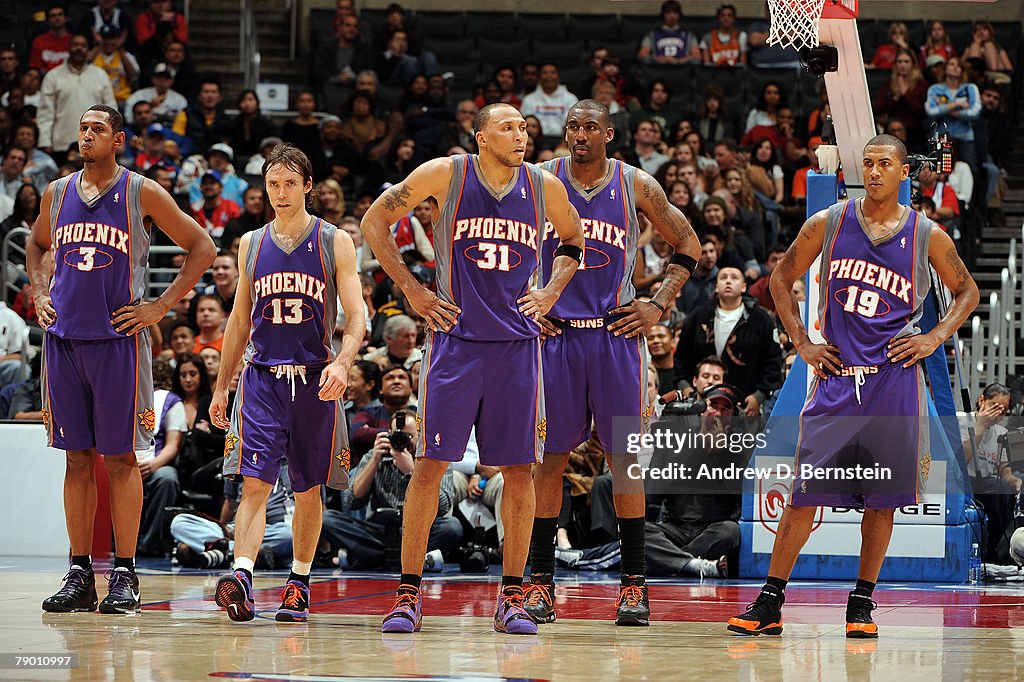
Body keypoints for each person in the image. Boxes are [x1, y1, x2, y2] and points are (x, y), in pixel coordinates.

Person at [726, 135, 979, 638]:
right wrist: (802, 341)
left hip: (894, 382)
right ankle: (770, 601)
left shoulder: (927, 234)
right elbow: (780, 279)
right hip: (837, 377)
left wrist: (934, 337)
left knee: (882, 500)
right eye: (868, 163)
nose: (876, 170)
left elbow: (968, 290)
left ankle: (862, 602)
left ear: (905, 172)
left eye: (885, 163)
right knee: (802, 495)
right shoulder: (830, 221)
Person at [363, 103, 585, 635]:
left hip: (516, 347)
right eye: (507, 127)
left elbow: (574, 240)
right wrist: (413, 290)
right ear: (481, 137)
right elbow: (375, 221)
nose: (521, 134)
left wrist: (552, 290)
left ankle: (512, 595)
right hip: (455, 345)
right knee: (430, 465)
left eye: (524, 127)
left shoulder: (543, 186)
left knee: (518, 471)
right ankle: (408, 594)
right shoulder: (447, 173)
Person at [27, 104, 215, 614]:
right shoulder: (57, 192)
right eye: (82, 128)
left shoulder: (142, 192)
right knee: (76, 458)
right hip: (64, 342)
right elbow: (37, 244)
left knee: (121, 458)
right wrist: (40, 291)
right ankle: (80, 572)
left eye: (97, 130)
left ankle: (127, 574)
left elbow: (202, 246)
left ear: (118, 140)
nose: (86, 136)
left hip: (118, 343)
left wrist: (159, 306)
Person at [525, 99, 700, 626]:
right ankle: (538, 584)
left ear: (609, 133)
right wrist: (529, 301)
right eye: (572, 126)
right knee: (549, 460)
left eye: (589, 127)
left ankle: (633, 587)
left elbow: (688, 243)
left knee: (624, 461)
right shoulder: (539, 180)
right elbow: (506, 245)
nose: (579, 134)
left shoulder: (636, 185)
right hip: (556, 339)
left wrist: (658, 303)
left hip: (614, 336)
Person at [210, 143, 364, 623]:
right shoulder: (250, 242)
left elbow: (358, 315)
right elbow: (238, 320)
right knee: (254, 483)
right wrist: (221, 386)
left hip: (316, 380)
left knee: (307, 490)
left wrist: (342, 361)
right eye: (272, 184)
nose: (279, 192)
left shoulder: (334, 240)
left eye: (289, 183)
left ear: (308, 186)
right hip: (261, 378)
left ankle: (299, 582)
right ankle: (241, 576)